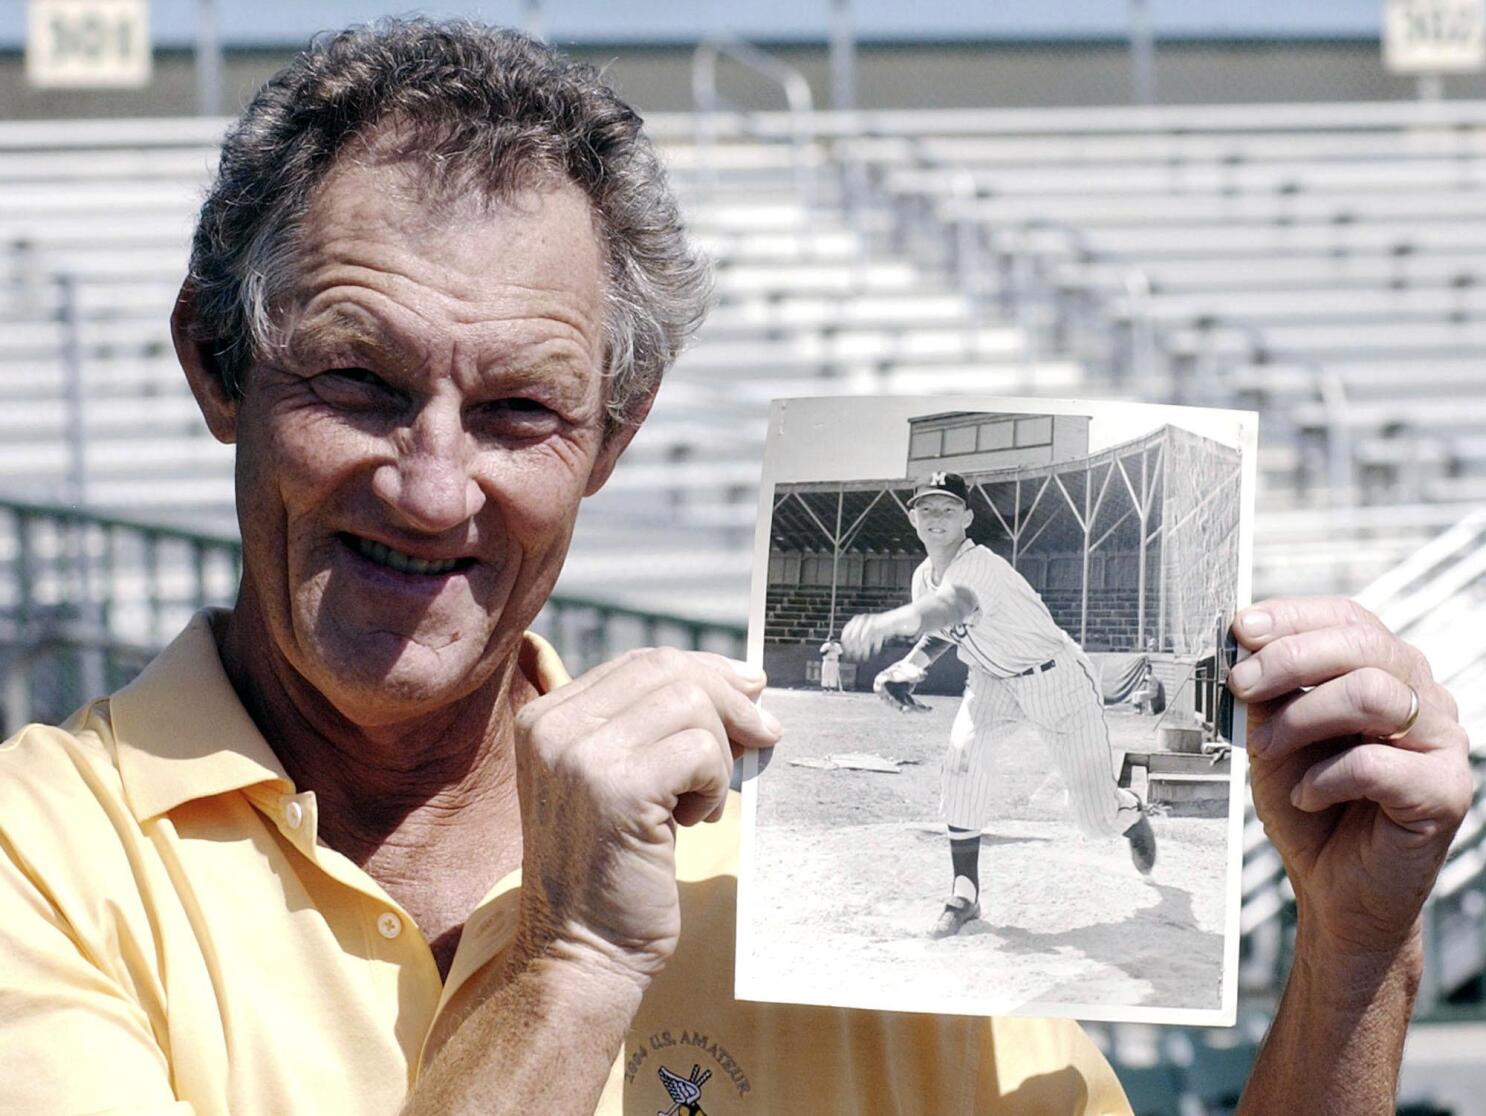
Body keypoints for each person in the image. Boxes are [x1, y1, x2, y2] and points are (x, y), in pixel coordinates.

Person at [0, 19, 1471, 1116]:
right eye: (359, 383)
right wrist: (570, 965)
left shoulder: (804, 872)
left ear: (612, 436)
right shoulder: (36, 863)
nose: (434, 483)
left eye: (519, 410)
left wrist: (1353, 956)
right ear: (214, 365)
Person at [840, 472, 1157, 938]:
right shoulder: (922, 575)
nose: (936, 517)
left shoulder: (980, 564)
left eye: (948, 508)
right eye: (926, 508)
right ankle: (964, 893)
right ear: (912, 518)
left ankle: (1127, 811)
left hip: (1056, 679)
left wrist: (887, 623)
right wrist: (911, 664)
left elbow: (951, 606)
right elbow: (944, 631)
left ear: (967, 518)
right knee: (962, 760)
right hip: (991, 681)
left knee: (1096, 820)